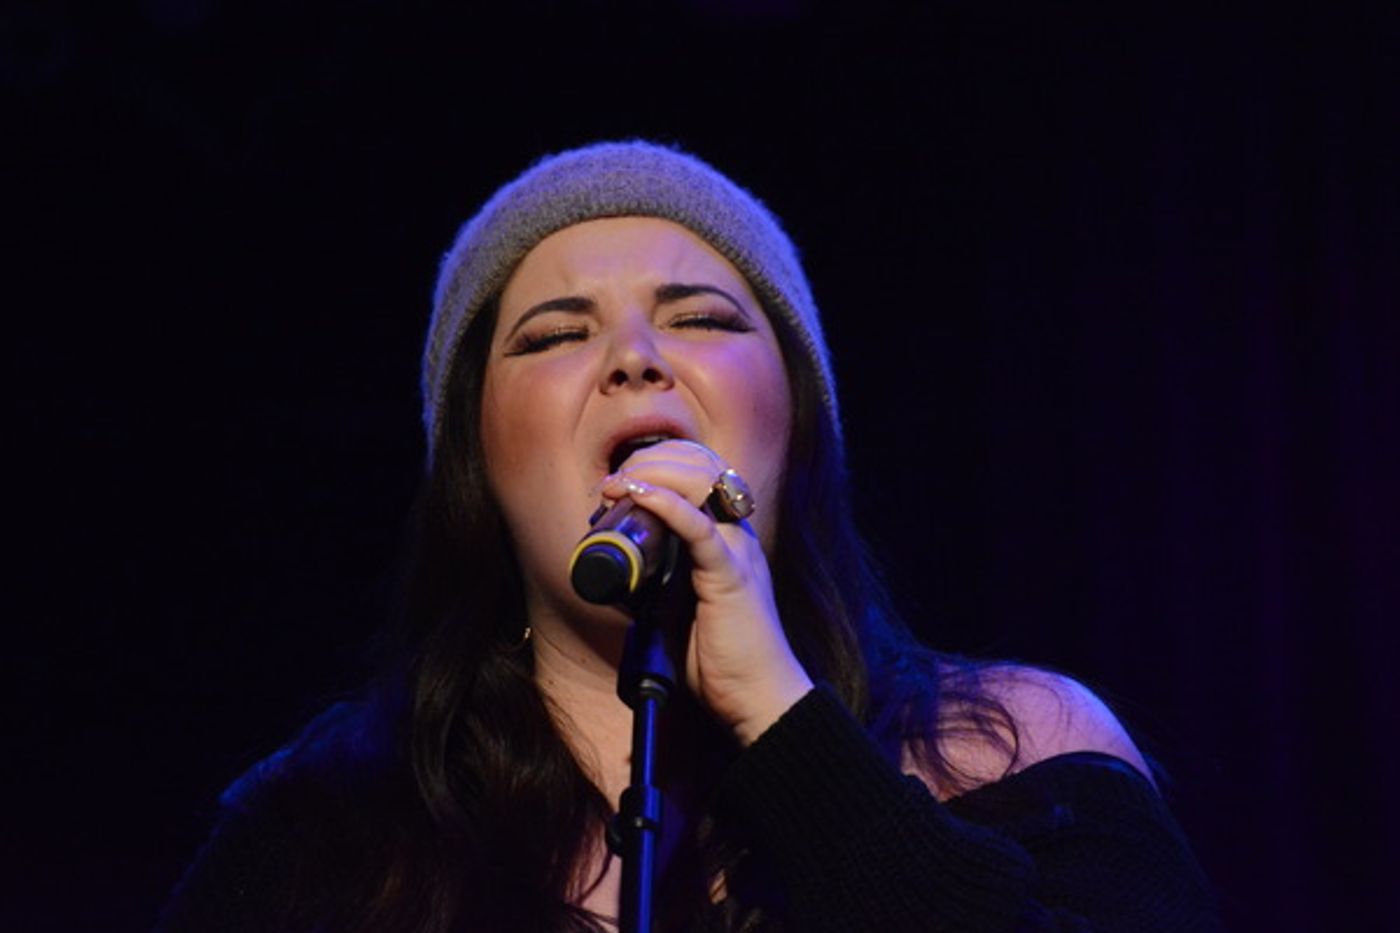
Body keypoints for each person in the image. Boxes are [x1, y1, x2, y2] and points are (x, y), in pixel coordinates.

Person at [157, 141, 1219, 932]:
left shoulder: (1013, 745)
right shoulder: (328, 827)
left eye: (703, 319)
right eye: (555, 334)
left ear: (795, 423)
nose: (632, 357)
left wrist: (781, 721)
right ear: (477, 461)